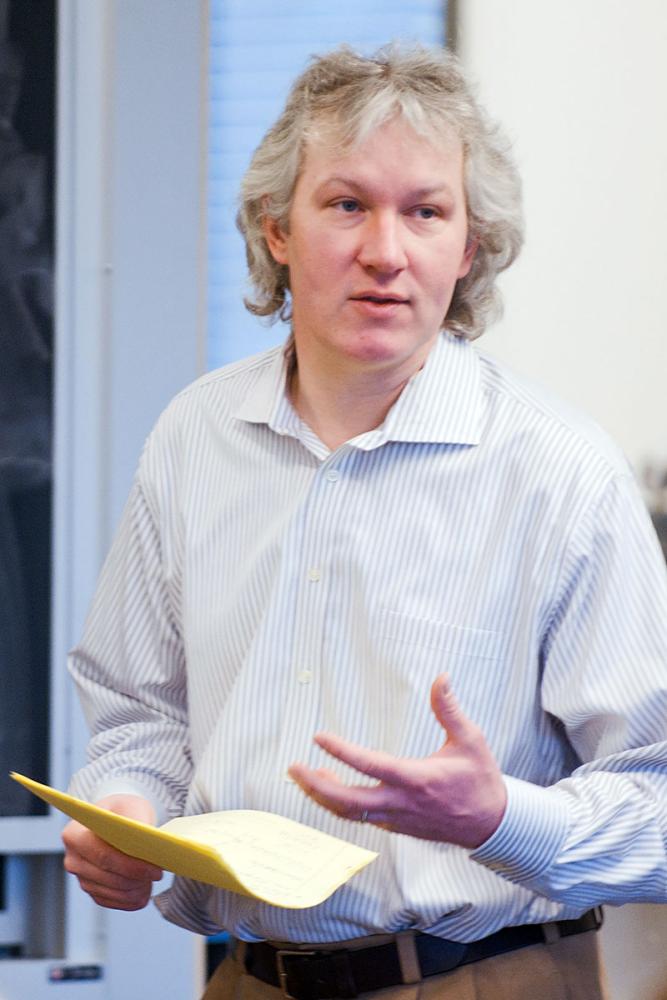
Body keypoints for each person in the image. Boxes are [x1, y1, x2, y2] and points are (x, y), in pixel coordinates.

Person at [62, 44, 667, 1000]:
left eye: (425, 211)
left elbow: (658, 807)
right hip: (245, 982)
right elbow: (141, 715)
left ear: (467, 248)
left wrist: (496, 817)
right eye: (346, 204)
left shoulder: (561, 471)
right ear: (276, 230)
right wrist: (126, 817)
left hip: (487, 978)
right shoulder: (194, 437)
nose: (385, 250)